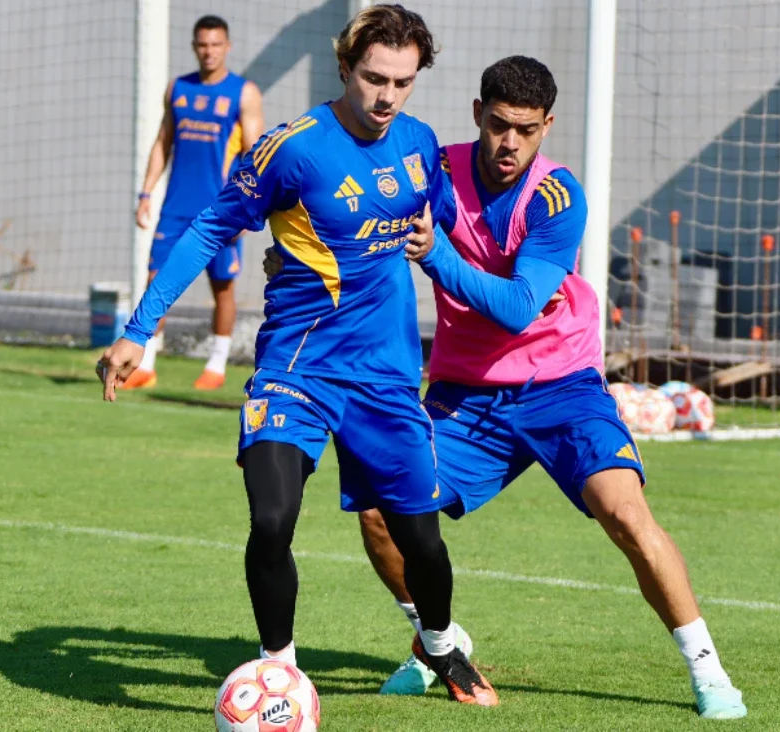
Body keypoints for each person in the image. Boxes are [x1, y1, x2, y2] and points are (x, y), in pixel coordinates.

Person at [99, 4, 497, 707]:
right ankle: (277, 670)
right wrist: (140, 329)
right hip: (297, 367)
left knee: (422, 542)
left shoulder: (419, 143)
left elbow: (442, 224)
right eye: (374, 78)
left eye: (402, 82)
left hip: (385, 376)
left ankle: (440, 645)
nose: (387, 96)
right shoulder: (292, 149)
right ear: (344, 67)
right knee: (272, 519)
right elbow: (209, 228)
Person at [362, 56, 749, 719]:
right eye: (499, 125)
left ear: (547, 126)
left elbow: (517, 309)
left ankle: (708, 670)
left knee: (625, 514)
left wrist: (436, 254)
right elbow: (355, 213)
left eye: (526, 129)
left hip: (561, 383)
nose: (509, 143)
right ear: (477, 113)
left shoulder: (557, 197)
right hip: (467, 392)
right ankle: (440, 642)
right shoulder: (435, 173)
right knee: (378, 509)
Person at [128, 14, 264, 391]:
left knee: (222, 287)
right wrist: (146, 193)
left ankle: (217, 365)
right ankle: (145, 363)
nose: (209, 52)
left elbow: (255, 156)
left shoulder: (244, 93)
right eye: (202, 45)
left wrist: (246, 208)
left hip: (220, 211)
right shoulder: (178, 89)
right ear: (193, 47)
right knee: (156, 281)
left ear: (227, 47)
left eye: (216, 44)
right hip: (175, 208)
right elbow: (162, 143)